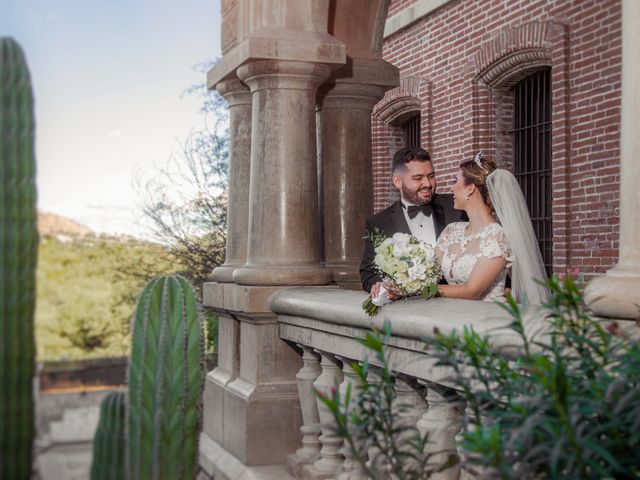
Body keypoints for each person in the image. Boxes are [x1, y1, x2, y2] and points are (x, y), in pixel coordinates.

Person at [435, 152, 549, 304]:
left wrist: (418, 290)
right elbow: (430, 271)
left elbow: (472, 291)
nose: (451, 188)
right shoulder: (451, 231)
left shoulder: (499, 237)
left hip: (485, 317)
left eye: (455, 181)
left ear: (470, 189)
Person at [359, 147, 465, 299]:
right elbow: (368, 272)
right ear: (397, 181)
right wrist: (381, 286)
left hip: (456, 306)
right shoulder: (378, 223)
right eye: (418, 178)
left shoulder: (456, 207)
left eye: (431, 176)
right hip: (407, 311)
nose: (428, 183)